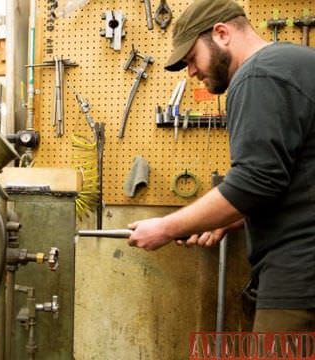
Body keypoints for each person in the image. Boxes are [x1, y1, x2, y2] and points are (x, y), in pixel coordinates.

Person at [127, 0, 315, 331]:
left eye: (191, 58)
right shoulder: (293, 64)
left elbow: (257, 180)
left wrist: (168, 227)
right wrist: (230, 218)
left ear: (222, 33)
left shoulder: (257, 74)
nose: (192, 72)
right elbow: (293, 178)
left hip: (301, 274)